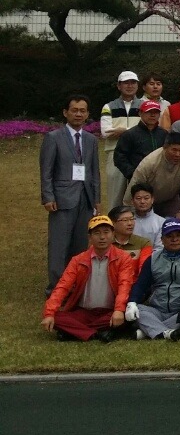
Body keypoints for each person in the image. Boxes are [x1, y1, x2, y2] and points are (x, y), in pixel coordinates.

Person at [41, 95, 101, 294]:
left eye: (82, 111)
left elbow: (94, 172)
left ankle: (76, 285)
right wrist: (48, 197)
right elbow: (46, 171)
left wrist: (96, 199)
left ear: (88, 114)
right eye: (74, 110)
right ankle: (56, 289)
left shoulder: (91, 140)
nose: (78, 114)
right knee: (59, 245)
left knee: (80, 244)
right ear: (65, 112)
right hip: (61, 199)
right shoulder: (53, 138)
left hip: (85, 198)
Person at [41, 214, 135, 341]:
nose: (102, 237)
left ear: (113, 234)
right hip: (84, 312)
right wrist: (49, 313)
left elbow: (125, 286)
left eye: (106, 232)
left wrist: (118, 310)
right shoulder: (78, 260)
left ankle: (75, 332)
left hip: (110, 311)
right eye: (97, 233)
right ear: (90, 237)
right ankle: (96, 333)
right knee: (56, 317)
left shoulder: (123, 258)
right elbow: (62, 287)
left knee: (127, 317)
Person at [129, 218, 180, 339]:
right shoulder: (153, 259)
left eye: (178, 235)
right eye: (169, 236)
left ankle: (149, 331)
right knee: (139, 309)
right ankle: (165, 332)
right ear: (162, 239)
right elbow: (141, 284)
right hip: (157, 310)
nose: (174, 239)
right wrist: (132, 302)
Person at [99, 71, 143, 206]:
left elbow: (148, 128)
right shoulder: (109, 106)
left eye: (133, 82)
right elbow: (106, 132)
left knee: (139, 194)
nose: (130, 86)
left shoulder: (144, 105)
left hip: (139, 152)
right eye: (126, 83)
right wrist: (135, 131)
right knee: (115, 195)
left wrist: (122, 131)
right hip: (115, 152)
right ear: (119, 86)